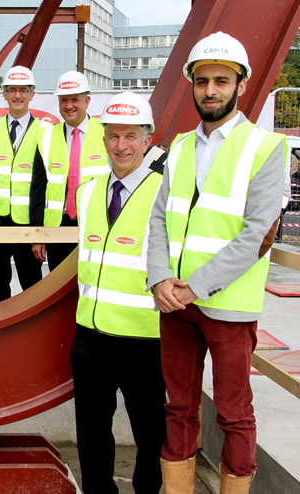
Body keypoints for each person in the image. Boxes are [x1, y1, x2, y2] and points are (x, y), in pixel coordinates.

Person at [147, 32, 287, 493]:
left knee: (233, 413)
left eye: (222, 81)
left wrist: (193, 286)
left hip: (226, 306)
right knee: (179, 408)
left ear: (241, 85)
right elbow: (159, 220)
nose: (211, 90)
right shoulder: (182, 147)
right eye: (203, 80)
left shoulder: (266, 148)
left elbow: (254, 236)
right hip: (176, 304)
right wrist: (160, 278)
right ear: (191, 83)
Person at [73, 92, 167, 494]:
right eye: (113, 136)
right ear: (103, 139)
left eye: (131, 136)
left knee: (152, 435)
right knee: (92, 434)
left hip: (143, 338)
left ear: (147, 140)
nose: (121, 146)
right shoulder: (89, 191)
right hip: (90, 336)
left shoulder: (165, 192)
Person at [32, 70, 109, 272]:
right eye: (63, 100)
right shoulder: (46, 136)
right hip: (58, 228)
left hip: (97, 227)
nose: (68, 106)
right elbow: (37, 191)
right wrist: (39, 235)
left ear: (87, 101)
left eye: (75, 99)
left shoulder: (107, 134)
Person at [0, 66, 45, 303]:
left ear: (32, 94)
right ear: (4, 94)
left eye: (23, 90)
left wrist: (39, 229)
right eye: (12, 90)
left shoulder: (45, 131)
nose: (18, 95)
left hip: (27, 220)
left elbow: (44, 182)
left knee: (32, 282)